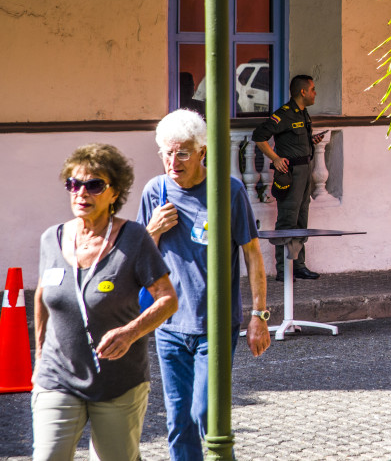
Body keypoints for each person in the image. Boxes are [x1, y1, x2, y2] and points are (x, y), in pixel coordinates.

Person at [139, 110, 271, 461]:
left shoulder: (228, 190)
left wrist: (259, 315)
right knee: (179, 421)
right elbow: (136, 261)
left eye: (182, 153)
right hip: (168, 326)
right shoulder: (155, 191)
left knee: (204, 413)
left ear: (202, 152)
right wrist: (152, 230)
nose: (172, 161)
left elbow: (253, 254)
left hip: (214, 327)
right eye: (166, 152)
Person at [32, 144, 177, 461]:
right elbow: (43, 296)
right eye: (74, 184)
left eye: (94, 184)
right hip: (57, 379)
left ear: (115, 193)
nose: (81, 192)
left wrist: (130, 332)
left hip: (117, 381)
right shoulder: (51, 238)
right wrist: (40, 356)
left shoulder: (134, 239)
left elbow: (167, 300)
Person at [252, 74, 326, 280]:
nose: (315, 93)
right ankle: (284, 270)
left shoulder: (303, 113)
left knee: (301, 220)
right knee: (287, 220)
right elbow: (259, 136)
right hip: (290, 174)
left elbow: (296, 140)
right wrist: (275, 158)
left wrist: (312, 142)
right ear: (303, 92)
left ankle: (299, 265)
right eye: (312, 89)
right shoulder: (284, 114)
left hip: (305, 171)